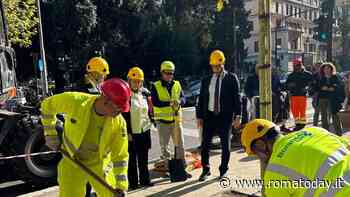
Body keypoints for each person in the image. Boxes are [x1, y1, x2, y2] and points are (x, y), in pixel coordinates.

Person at [42, 78, 130, 197]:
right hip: (72, 160)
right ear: (106, 99)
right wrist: (50, 134)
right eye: (118, 107)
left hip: (100, 164)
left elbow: (120, 156)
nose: (120, 111)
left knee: (111, 194)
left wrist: (121, 185)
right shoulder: (75, 101)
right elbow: (47, 105)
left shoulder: (119, 124)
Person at [241, 119, 350, 197]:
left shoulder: (274, 173)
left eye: (256, 154)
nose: (260, 159)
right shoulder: (314, 131)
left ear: (261, 145)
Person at [196, 50, 241, 181]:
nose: (215, 68)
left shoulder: (232, 78)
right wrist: (199, 117)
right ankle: (206, 169)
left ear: (222, 64)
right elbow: (201, 99)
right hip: (209, 116)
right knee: (205, 145)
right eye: (213, 66)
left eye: (217, 65)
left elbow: (236, 98)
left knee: (225, 145)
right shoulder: (206, 80)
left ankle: (223, 170)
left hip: (224, 117)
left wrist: (238, 115)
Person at [150, 61, 187, 172]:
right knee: (165, 148)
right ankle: (167, 167)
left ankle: (182, 167)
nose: (169, 75)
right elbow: (156, 102)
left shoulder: (177, 84)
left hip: (176, 120)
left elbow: (183, 98)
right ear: (162, 73)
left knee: (180, 145)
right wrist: (170, 103)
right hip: (162, 122)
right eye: (167, 73)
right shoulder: (155, 86)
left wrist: (179, 101)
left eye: (171, 73)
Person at [123, 67, 154, 190]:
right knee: (132, 159)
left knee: (144, 158)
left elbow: (148, 112)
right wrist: (128, 132)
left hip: (144, 130)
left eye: (139, 81)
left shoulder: (145, 94)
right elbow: (124, 116)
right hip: (132, 132)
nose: (137, 83)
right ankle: (133, 183)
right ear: (129, 81)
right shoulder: (126, 96)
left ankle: (145, 180)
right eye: (135, 81)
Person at [317, 62, 345, 136]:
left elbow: (340, 85)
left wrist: (334, 87)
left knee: (335, 116)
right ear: (322, 69)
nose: (326, 70)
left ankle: (339, 134)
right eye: (325, 68)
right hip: (323, 98)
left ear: (331, 69)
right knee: (324, 117)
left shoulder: (336, 76)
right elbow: (316, 86)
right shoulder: (320, 77)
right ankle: (326, 134)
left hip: (333, 99)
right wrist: (321, 87)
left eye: (328, 68)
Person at [285, 58, 313, 131]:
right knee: (295, 111)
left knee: (302, 110)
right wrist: (289, 85)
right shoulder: (291, 75)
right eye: (296, 65)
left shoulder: (307, 74)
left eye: (299, 65)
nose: (297, 67)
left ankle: (302, 124)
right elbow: (286, 85)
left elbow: (312, 83)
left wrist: (307, 88)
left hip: (302, 95)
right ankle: (298, 124)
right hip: (293, 95)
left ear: (301, 65)